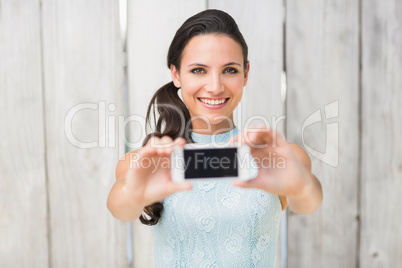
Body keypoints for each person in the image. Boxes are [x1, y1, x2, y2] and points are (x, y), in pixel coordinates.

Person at [107, 9, 323, 267]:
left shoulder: (278, 158)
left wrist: (301, 188)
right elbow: (119, 207)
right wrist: (133, 194)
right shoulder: (146, 163)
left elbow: (308, 202)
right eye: (198, 70)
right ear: (176, 74)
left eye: (229, 70)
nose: (215, 86)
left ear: (245, 73)